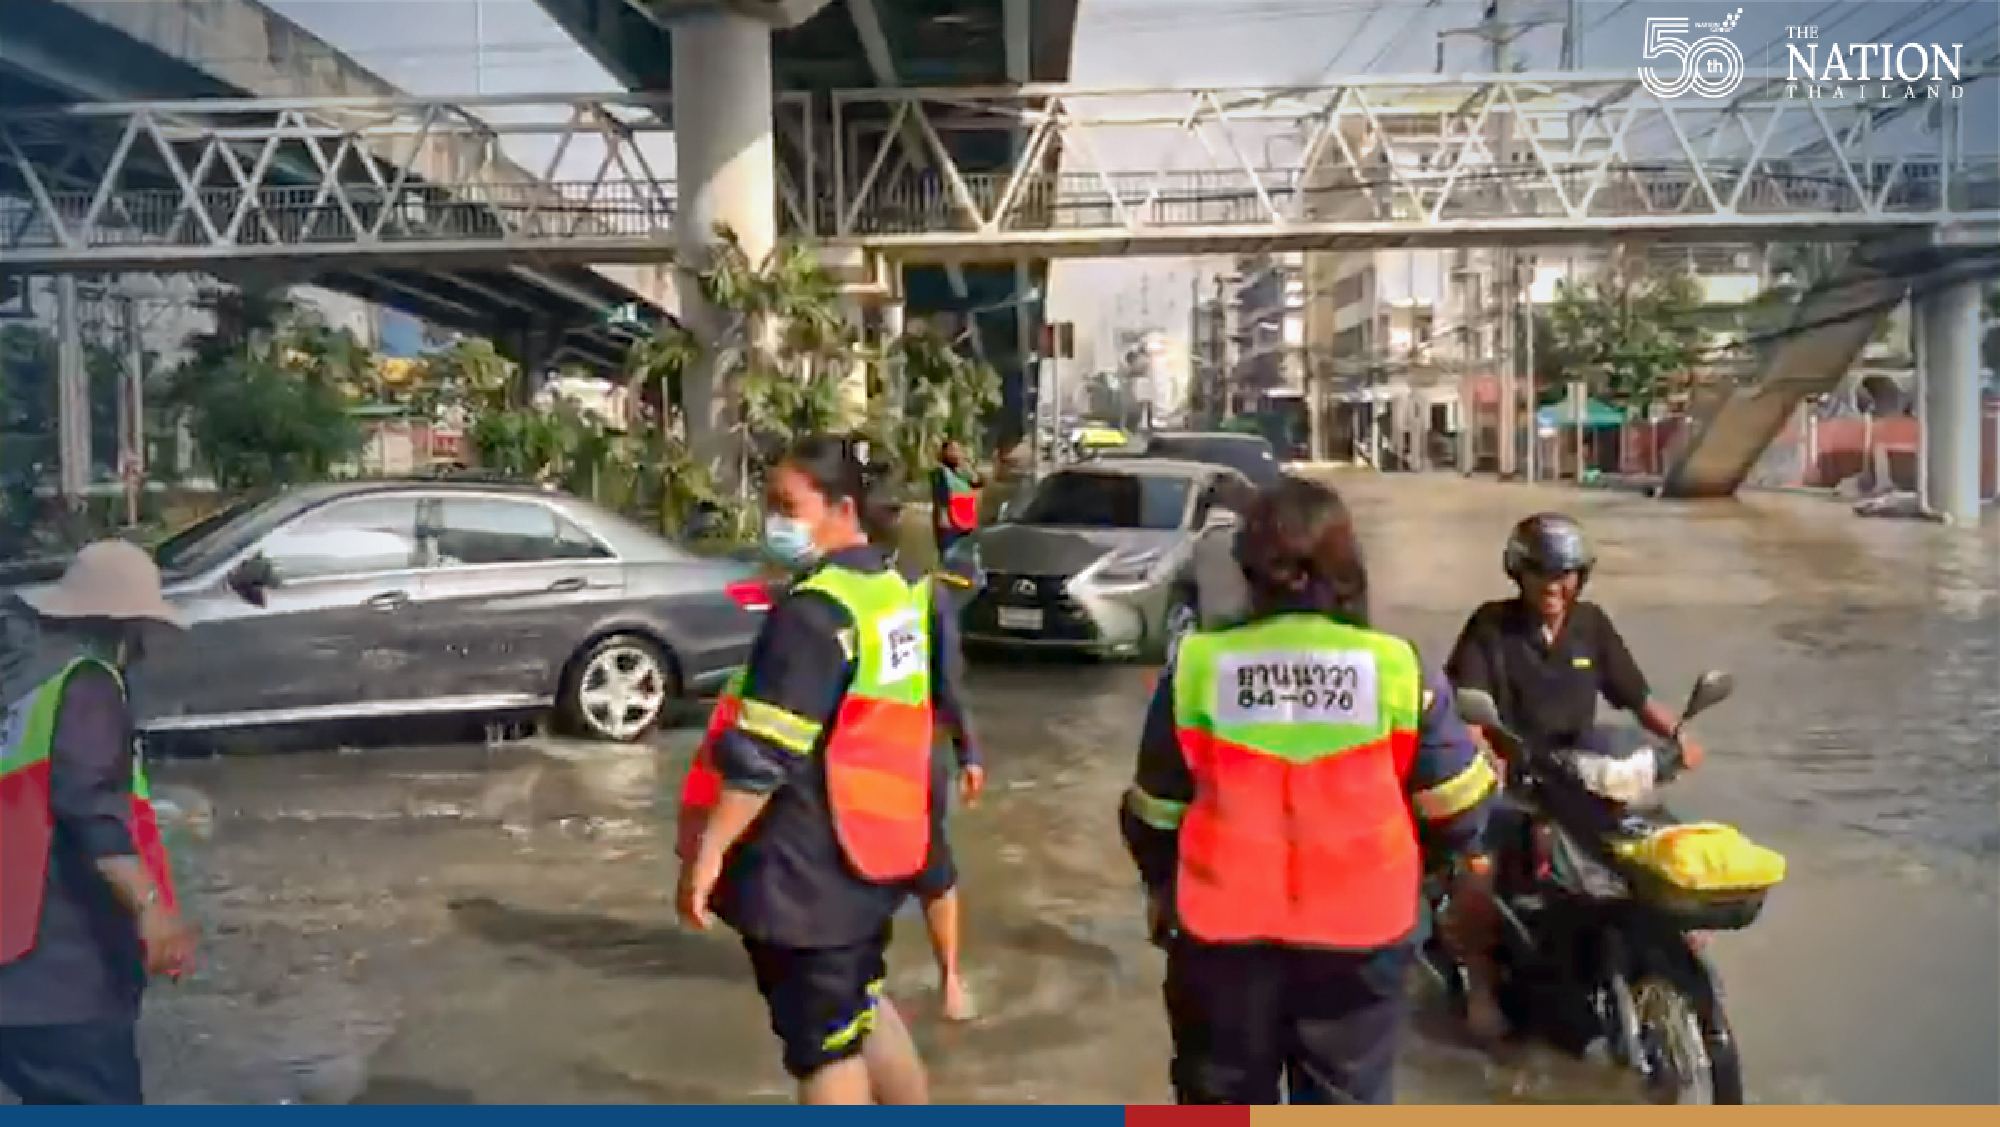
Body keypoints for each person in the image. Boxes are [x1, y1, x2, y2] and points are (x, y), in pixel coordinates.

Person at [1121, 477, 1499, 1105]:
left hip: (1222, 944)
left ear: (1248, 569)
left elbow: (1152, 815)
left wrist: (1164, 889)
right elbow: (1461, 811)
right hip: (1361, 942)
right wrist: (1421, 870)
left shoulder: (1195, 666)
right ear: (1348, 565)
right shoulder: (1397, 668)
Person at [676, 436, 963, 1105]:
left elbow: (765, 755)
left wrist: (708, 852)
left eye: (787, 504)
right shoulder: (894, 593)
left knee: (822, 1049)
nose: (774, 519)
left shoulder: (815, 612)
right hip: (875, 851)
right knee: (858, 1007)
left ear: (841, 507)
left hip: (806, 867)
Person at [1440, 511, 1708, 1039]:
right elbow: (1466, 706)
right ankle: (1481, 985)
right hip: (1514, 778)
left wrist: (1680, 735)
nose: (1554, 585)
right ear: (1520, 574)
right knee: (1478, 870)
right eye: (1541, 572)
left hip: (1583, 774)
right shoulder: (1490, 626)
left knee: (1664, 846)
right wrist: (1482, 751)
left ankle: (1671, 948)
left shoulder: (1593, 625)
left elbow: (1637, 698)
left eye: (1566, 573)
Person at [1, 540, 196, 1105]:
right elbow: (87, 806)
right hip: (63, 976)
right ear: (127, 624)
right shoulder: (88, 685)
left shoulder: (28, 689)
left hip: (19, 962)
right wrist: (151, 908)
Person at [858, 483, 986, 1022]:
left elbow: (947, 681)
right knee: (910, 871)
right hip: (883, 757)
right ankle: (922, 984)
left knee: (923, 869)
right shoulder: (828, 592)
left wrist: (968, 752)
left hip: (896, 756)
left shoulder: (914, 592)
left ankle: (942, 978)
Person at [929, 440, 983, 561]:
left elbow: (977, 482)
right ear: (944, 453)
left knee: (969, 559)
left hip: (966, 524)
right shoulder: (941, 472)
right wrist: (943, 518)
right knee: (950, 558)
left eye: (958, 450)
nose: (956, 453)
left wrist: (966, 466)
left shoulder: (963, 473)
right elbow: (940, 495)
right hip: (950, 525)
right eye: (952, 450)